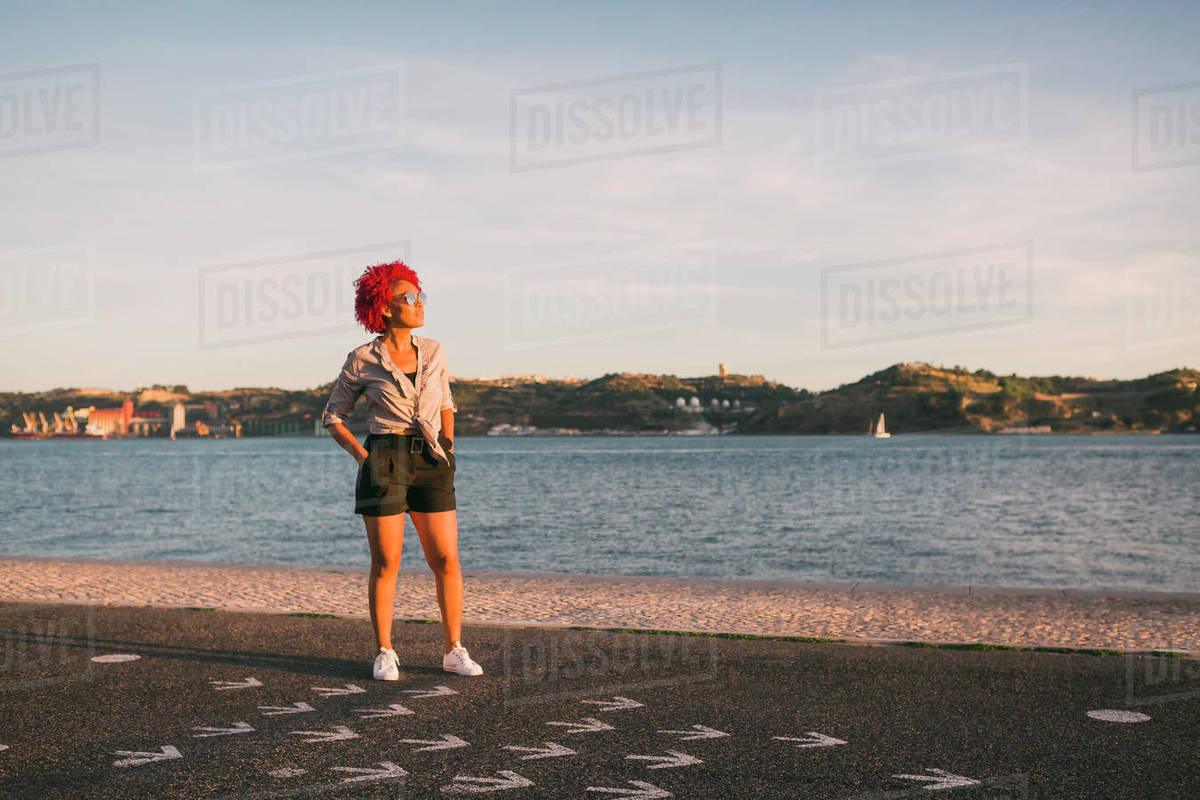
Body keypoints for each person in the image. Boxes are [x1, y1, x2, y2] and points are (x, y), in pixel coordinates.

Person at [321, 260, 482, 680]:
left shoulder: (435, 351)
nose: (419, 303)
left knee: (446, 557)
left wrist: (447, 444)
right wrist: (364, 457)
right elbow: (333, 416)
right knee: (386, 561)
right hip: (385, 458)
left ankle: (453, 649)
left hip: (432, 459)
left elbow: (446, 401)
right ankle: (385, 651)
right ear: (385, 307)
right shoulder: (362, 359)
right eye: (409, 298)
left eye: (420, 296)